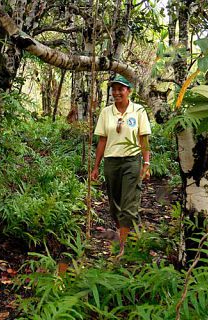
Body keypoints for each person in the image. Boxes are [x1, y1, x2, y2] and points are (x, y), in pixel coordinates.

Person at [90, 74, 151, 259]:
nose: (116, 92)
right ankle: (134, 233)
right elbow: (102, 140)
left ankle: (122, 248)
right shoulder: (106, 112)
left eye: (120, 89)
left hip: (132, 161)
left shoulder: (138, 110)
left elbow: (144, 138)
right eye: (114, 89)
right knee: (115, 207)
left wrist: (146, 163)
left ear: (129, 91)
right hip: (111, 162)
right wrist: (96, 166)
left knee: (129, 205)